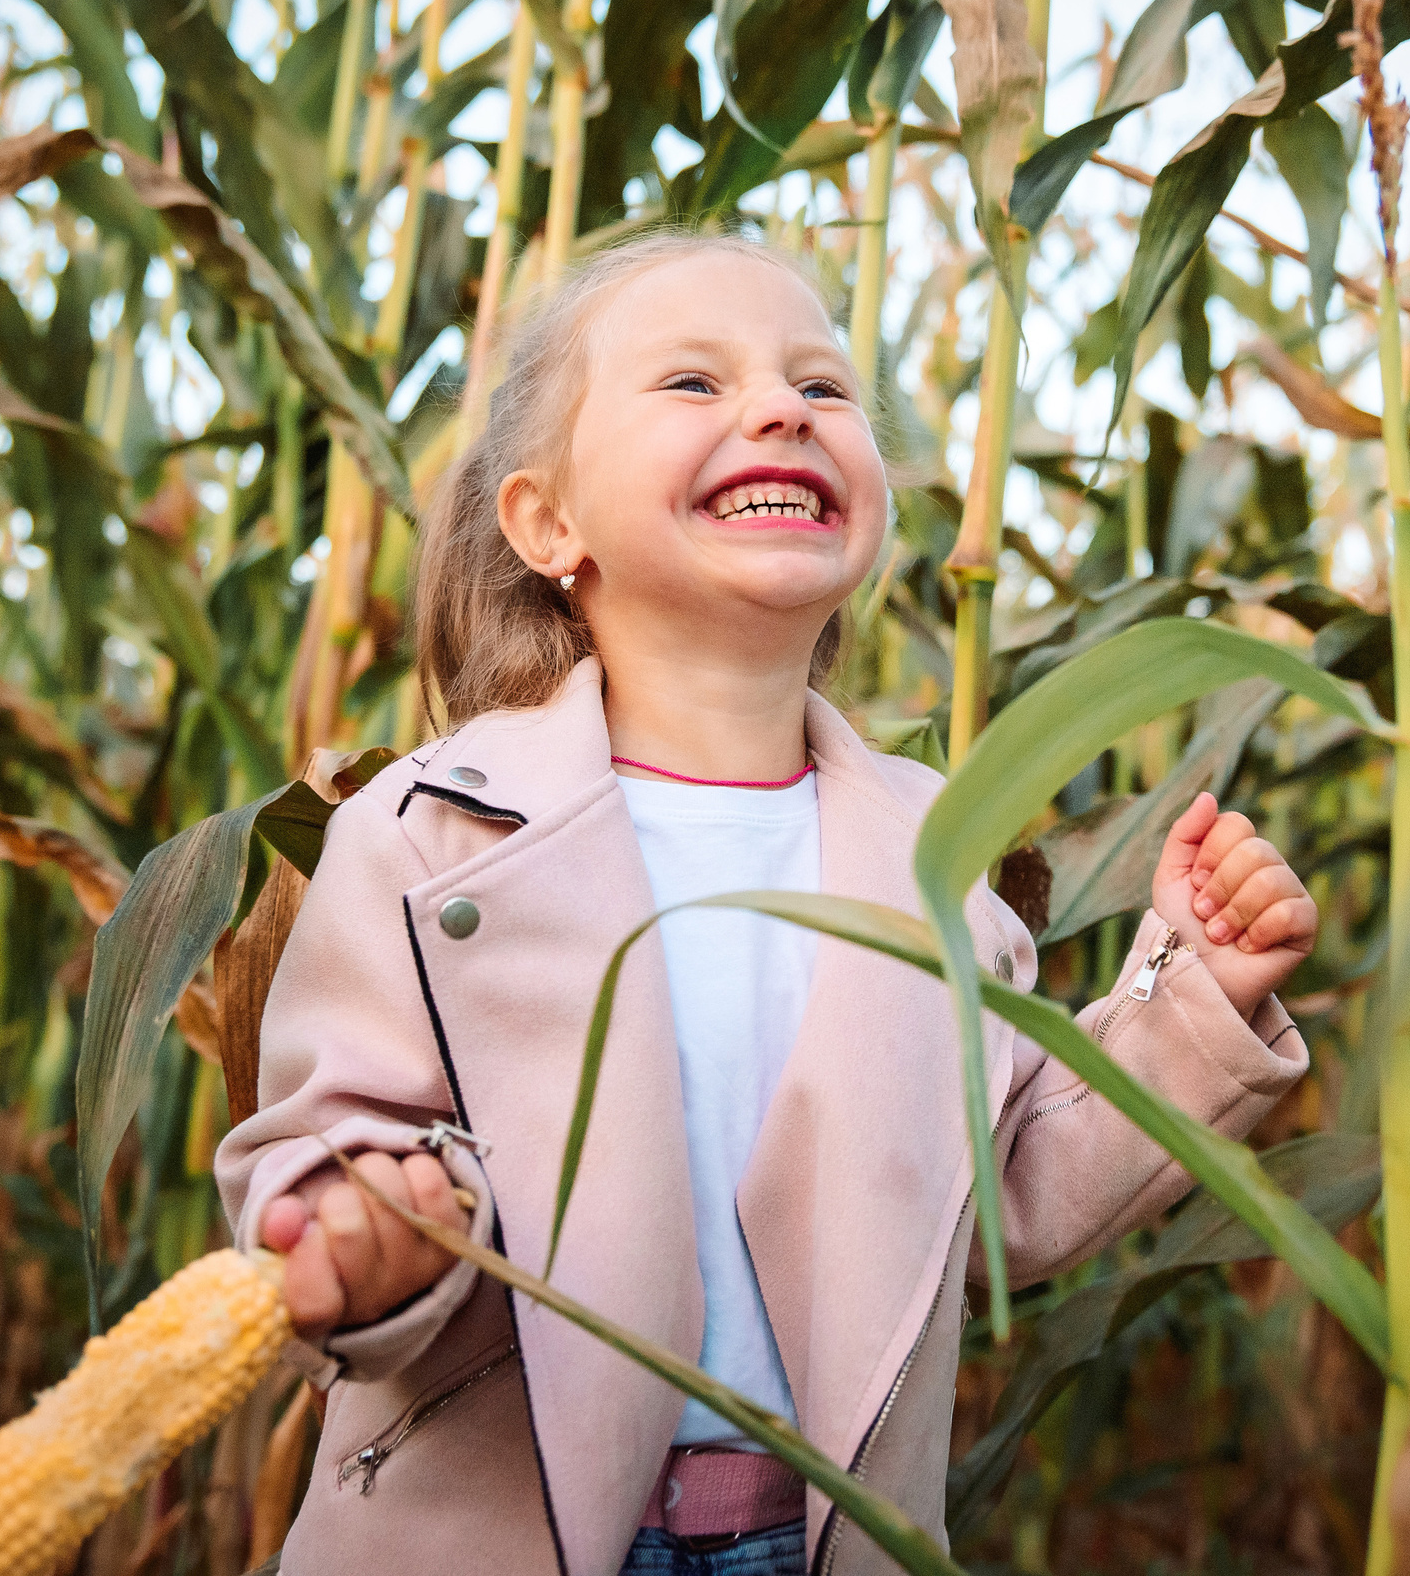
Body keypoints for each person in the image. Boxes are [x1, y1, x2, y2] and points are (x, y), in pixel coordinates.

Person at [215, 230, 1315, 1576]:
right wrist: (373, 1226)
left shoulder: (936, 853)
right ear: (548, 522)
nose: (782, 408)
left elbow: (1004, 1182)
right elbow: (327, 1141)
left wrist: (1196, 989)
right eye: (693, 383)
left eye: (824, 387)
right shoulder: (425, 835)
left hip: (807, 1541)